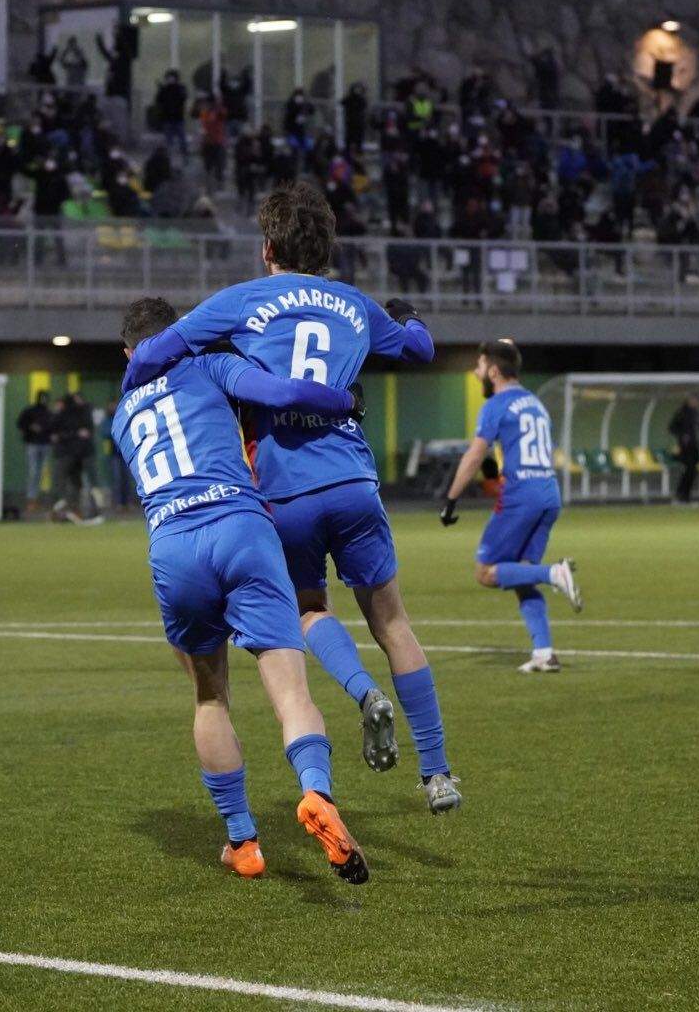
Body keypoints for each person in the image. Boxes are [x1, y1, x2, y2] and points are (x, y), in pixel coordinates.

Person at [120, 181, 461, 815]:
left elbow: (154, 353)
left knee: (308, 610)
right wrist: (407, 313)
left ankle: (362, 692)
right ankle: (437, 772)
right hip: (353, 479)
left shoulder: (240, 301)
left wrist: (138, 385)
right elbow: (419, 348)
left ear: (267, 245)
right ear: (328, 246)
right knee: (393, 623)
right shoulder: (353, 304)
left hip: (282, 491)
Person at [111, 295, 369, 882]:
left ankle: (243, 843)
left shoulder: (121, 413)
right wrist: (341, 400)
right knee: (290, 692)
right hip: (241, 527)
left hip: (173, 543)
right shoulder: (208, 364)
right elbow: (280, 393)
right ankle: (316, 793)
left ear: (128, 352)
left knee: (209, 698)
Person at [440, 341, 582, 674]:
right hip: (549, 493)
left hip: (521, 495)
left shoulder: (496, 405)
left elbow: (475, 454)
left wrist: (450, 499)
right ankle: (544, 653)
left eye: (479, 365)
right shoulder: (534, 403)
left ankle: (554, 573)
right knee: (521, 573)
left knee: (486, 572)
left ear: (492, 369)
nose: (476, 373)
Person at [16, 391, 54, 507]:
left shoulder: (49, 413)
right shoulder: (29, 411)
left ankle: (37, 498)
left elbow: (53, 427)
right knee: (33, 471)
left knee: (42, 473)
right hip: (32, 444)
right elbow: (20, 424)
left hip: (45, 444)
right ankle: (31, 499)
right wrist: (30, 427)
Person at [668, 394, 699, 503]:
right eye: (694, 400)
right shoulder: (681, 413)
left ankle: (686, 496)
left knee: (693, 471)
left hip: (694, 447)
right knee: (688, 470)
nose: (696, 402)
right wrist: (682, 436)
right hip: (685, 448)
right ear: (689, 400)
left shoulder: (698, 414)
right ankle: (680, 495)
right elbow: (672, 427)